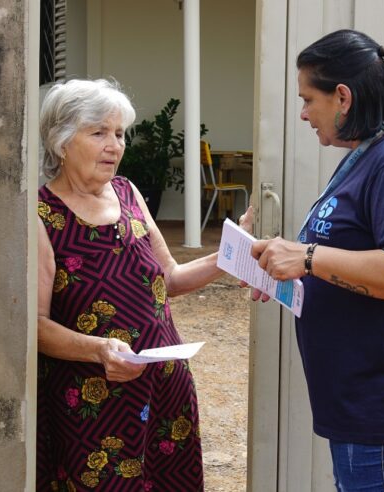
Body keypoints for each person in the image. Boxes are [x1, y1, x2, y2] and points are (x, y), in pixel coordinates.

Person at [250, 29, 384, 491]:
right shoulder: (366, 157)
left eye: (308, 99)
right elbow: (339, 259)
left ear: (342, 96)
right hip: (357, 400)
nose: (303, 113)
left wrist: (304, 256)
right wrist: (284, 270)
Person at [36, 78, 251, 491]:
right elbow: (37, 325)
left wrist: (234, 252)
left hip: (166, 386)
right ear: (61, 141)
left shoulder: (127, 192)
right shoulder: (42, 214)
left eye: (118, 133)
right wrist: (99, 349)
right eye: (98, 133)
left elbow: (168, 278)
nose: (114, 145)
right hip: (96, 401)